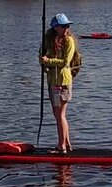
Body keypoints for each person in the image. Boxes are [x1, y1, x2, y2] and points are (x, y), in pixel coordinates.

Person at [40, 13, 78, 154]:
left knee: (60, 114)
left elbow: (65, 62)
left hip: (62, 81)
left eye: (68, 25)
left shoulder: (69, 41)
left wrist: (48, 61)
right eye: (64, 26)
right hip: (52, 81)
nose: (67, 28)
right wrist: (43, 61)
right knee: (58, 115)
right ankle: (66, 144)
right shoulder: (49, 41)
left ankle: (61, 146)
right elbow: (41, 56)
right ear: (56, 27)